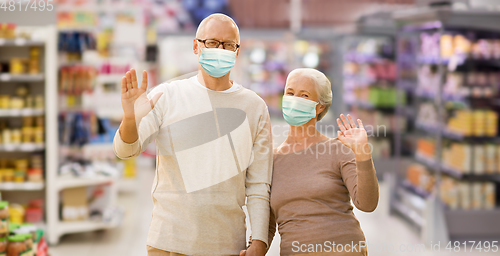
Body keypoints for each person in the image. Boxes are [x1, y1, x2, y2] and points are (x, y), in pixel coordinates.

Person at [113, 14, 272, 256]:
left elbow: (259, 183)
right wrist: (130, 117)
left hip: (227, 243)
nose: (221, 49)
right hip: (168, 242)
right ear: (196, 46)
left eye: (228, 45)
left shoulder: (254, 106)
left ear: (237, 52)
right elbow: (125, 150)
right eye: (212, 42)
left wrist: (259, 241)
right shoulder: (167, 95)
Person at [241, 68, 379, 256]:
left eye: (304, 95)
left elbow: (367, 203)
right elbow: (268, 223)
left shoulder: (337, 149)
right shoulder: (270, 160)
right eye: (290, 93)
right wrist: (255, 246)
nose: (294, 99)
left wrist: (362, 153)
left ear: (320, 106)